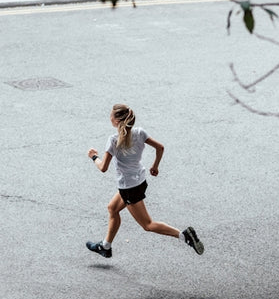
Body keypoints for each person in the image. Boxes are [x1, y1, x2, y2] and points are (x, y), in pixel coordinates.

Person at [86, 104, 203, 258]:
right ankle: (105, 246)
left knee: (147, 224)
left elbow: (103, 167)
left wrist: (94, 156)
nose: (110, 118)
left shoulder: (113, 141)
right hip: (140, 181)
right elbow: (160, 148)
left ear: (116, 121)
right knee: (112, 208)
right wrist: (155, 166)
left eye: (111, 116)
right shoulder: (140, 133)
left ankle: (183, 235)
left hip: (129, 188)